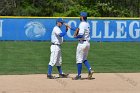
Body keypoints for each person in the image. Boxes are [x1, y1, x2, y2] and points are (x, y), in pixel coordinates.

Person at [66, 12, 94, 80]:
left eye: (80, 16)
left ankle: (79, 75)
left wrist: (75, 36)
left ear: (81, 17)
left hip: (82, 43)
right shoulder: (87, 24)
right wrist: (70, 27)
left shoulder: (82, 24)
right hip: (87, 43)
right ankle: (90, 69)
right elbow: (77, 28)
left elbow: (80, 34)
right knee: (84, 59)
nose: (79, 17)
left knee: (79, 59)